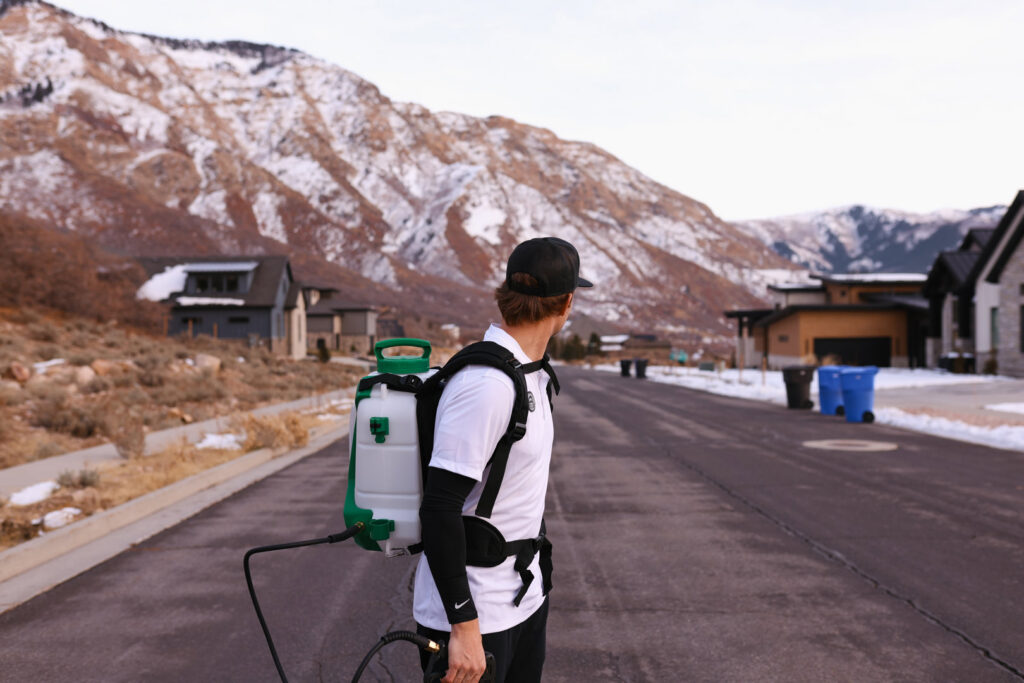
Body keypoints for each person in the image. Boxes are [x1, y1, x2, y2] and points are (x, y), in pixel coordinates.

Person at [413, 237, 592, 683]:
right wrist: (464, 627)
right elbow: (439, 507)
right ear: (566, 303)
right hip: (474, 618)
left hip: (521, 600)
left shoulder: (530, 373)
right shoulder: (487, 385)